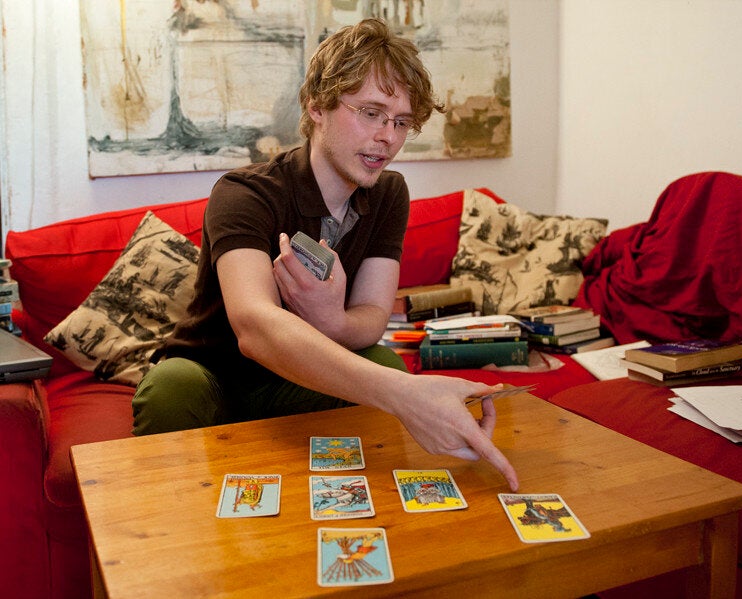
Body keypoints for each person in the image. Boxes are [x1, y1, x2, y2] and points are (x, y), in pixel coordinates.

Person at [132, 18, 518, 491]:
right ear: (317, 105)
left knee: (385, 361)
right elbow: (253, 326)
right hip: (218, 377)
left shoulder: (389, 192)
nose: (387, 138)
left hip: (306, 378)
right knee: (170, 387)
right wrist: (407, 396)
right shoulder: (243, 193)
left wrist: (332, 319)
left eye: (400, 122)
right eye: (371, 113)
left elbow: (373, 315)